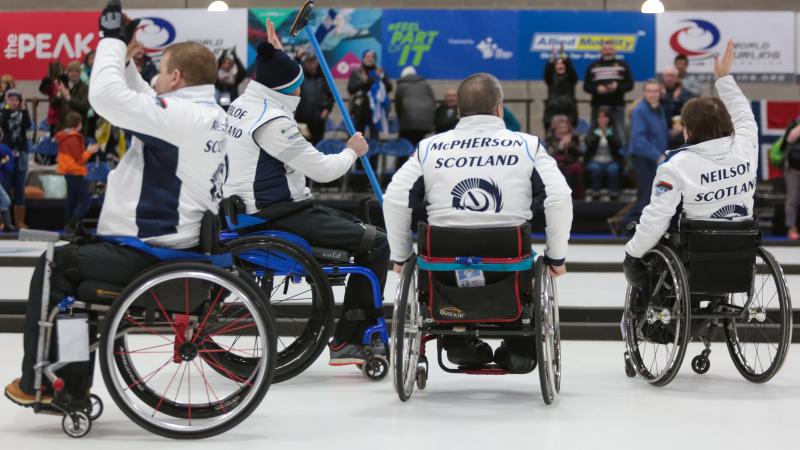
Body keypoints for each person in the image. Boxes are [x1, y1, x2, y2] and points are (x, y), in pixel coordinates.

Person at [4, 0, 230, 407]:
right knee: (71, 287)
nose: (154, 80)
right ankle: (69, 386)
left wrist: (109, 39)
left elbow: (107, 98)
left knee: (54, 264)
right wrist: (126, 59)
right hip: (173, 248)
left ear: (176, 77)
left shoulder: (182, 116)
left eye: (159, 73)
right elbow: (140, 99)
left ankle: (37, 381)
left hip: (149, 254)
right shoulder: (207, 114)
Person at [223, 20, 389, 366]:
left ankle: (353, 328)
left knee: (359, 221)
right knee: (376, 243)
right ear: (283, 92)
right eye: (297, 88)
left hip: (245, 211)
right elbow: (324, 171)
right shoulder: (274, 122)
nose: (300, 93)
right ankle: (350, 340)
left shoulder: (243, 103)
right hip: (277, 214)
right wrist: (352, 151)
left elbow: (272, 77)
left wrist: (275, 55)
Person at [383, 72, 572, 373]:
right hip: (509, 259)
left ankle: (457, 343)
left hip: (443, 265)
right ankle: (521, 350)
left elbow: (394, 199)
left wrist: (401, 256)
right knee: (523, 265)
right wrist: (557, 256)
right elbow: (559, 198)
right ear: (500, 108)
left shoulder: (430, 148)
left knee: (443, 265)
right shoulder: (527, 146)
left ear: (458, 110)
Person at [623, 40, 758, 281]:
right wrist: (724, 78)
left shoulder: (676, 166)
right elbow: (744, 115)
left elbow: (656, 218)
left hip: (693, 253)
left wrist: (632, 254)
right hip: (739, 248)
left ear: (689, 130)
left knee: (646, 255)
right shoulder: (745, 147)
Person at [620, 80, 669, 230]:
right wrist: (658, 156)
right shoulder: (641, 110)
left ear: (660, 93)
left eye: (655, 91)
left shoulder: (659, 108)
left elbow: (658, 134)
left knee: (652, 194)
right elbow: (639, 139)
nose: (652, 94)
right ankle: (627, 225)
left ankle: (628, 225)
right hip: (643, 159)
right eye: (649, 91)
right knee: (647, 194)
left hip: (656, 159)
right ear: (644, 93)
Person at [55, 112, 100, 233]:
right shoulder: (74, 138)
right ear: (78, 124)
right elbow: (80, 160)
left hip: (67, 170)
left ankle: (69, 226)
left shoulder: (63, 135)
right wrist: (90, 151)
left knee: (71, 199)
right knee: (85, 202)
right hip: (75, 171)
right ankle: (71, 224)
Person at [583, 41, 634, 146]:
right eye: (605, 50)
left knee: (620, 135)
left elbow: (630, 85)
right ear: (601, 51)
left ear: (615, 51)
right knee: (594, 135)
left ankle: (622, 161)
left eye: (610, 49)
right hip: (598, 107)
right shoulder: (593, 66)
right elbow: (586, 86)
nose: (608, 52)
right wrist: (597, 89)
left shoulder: (623, 65)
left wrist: (617, 87)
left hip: (617, 107)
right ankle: (592, 159)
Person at [0, 89, 31, 229]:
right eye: (11, 100)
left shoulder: (22, 113)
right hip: (6, 152)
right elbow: (2, 123)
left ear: (19, 101)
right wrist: (6, 108)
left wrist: (24, 110)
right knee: (5, 187)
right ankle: (4, 221)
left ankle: (19, 222)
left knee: (20, 188)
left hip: (21, 153)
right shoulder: (4, 113)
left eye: (16, 100)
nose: (14, 102)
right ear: (7, 101)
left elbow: (28, 125)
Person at [347, 50, 392, 138]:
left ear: (375, 59)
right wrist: (364, 82)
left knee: (374, 135)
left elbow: (389, 88)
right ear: (363, 59)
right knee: (358, 135)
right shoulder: (357, 72)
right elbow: (350, 89)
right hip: (360, 108)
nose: (369, 59)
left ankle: (375, 152)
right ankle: (356, 152)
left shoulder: (380, 72)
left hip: (376, 109)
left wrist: (382, 78)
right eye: (367, 57)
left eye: (372, 57)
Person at [584, 107, 623, 201]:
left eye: (605, 117)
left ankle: (614, 193)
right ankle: (595, 192)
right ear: (597, 119)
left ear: (609, 119)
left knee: (613, 170)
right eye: (600, 117)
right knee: (595, 169)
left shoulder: (614, 131)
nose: (603, 120)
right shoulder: (592, 131)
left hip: (611, 160)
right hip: (595, 160)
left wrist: (608, 135)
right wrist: (598, 136)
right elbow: (589, 145)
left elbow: (618, 145)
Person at [295, 53, 334, 145]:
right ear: (306, 63)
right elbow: (290, 71)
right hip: (302, 118)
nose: (311, 65)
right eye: (309, 62)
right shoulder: (300, 76)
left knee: (318, 145)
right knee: (302, 146)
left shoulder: (324, 77)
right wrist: (297, 58)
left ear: (317, 62)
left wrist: (327, 109)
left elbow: (331, 96)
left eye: (313, 62)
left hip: (318, 119)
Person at [395, 66, 436, 147]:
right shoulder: (425, 84)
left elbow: (398, 106)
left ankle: (404, 160)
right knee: (418, 144)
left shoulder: (401, 86)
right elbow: (433, 101)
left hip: (408, 122)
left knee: (404, 146)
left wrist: (401, 119)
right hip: (426, 122)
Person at [546, 115, 584, 199]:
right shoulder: (551, 138)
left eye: (564, 128)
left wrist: (570, 145)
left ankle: (571, 196)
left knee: (571, 169)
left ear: (568, 128)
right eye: (560, 128)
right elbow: (549, 154)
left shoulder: (574, 138)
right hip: (555, 163)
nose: (562, 130)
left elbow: (579, 153)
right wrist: (560, 146)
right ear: (556, 128)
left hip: (570, 162)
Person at [50, 61, 90, 133]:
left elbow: (85, 107)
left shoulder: (85, 88)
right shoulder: (63, 87)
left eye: (76, 71)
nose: (74, 73)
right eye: (71, 71)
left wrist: (69, 98)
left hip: (79, 129)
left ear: (80, 73)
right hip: (63, 128)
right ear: (67, 73)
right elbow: (53, 105)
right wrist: (59, 95)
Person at [544, 45, 578, 129]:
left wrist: (563, 55)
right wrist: (553, 56)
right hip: (552, 111)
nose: (560, 66)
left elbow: (571, 70)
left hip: (569, 111)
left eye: (562, 64)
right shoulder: (550, 80)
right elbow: (548, 71)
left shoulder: (571, 79)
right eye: (558, 64)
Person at [780, 115, 800, 240]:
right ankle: (791, 229)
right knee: (792, 200)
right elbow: (790, 140)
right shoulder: (794, 124)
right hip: (792, 169)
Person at [38, 61, 64, 133]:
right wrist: (48, 78)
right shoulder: (49, 81)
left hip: (65, 113)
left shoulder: (64, 79)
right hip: (54, 114)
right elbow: (43, 90)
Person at [0, 132, 13, 232]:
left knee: (4, 201)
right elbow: (9, 168)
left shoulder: (3, 148)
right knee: (6, 201)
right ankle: (7, 225)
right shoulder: (4, 148)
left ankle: (7, 225)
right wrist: (4, 162)